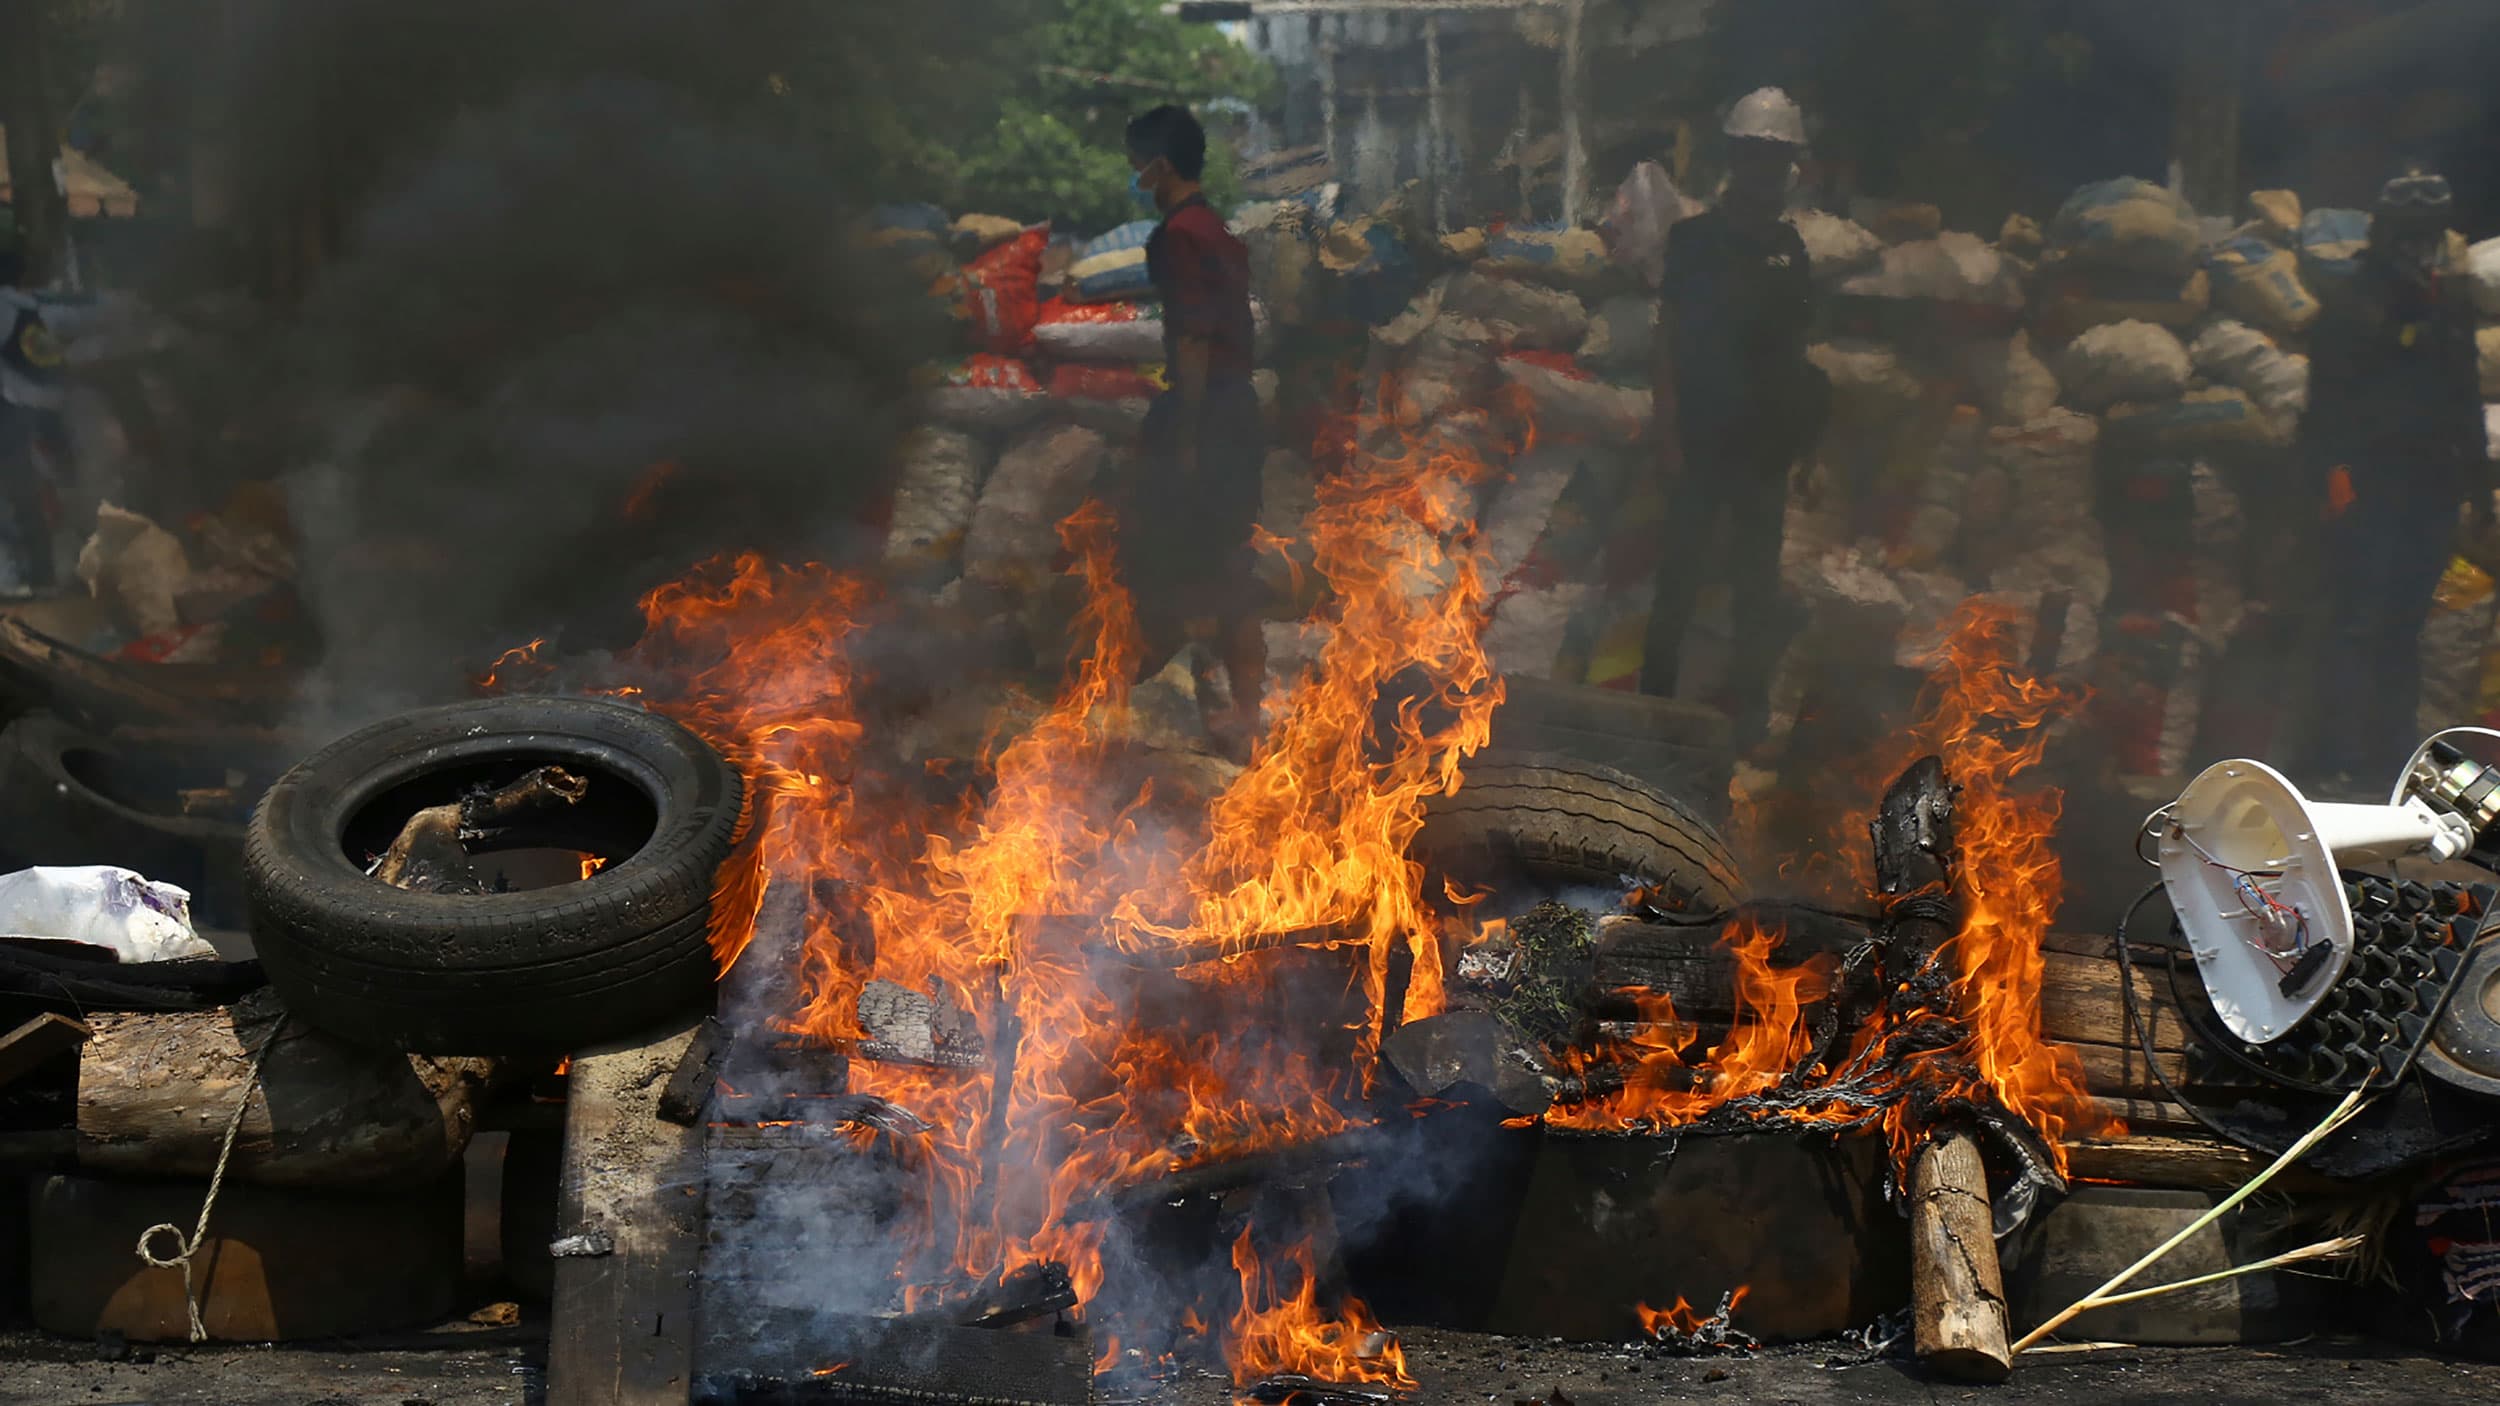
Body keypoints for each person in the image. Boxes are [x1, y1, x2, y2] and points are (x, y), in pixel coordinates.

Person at [1639, 87, 1826, 749]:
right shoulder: (1693, 241)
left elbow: (1798, 352)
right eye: (1755, 157)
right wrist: (1666, 433)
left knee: (1756, 589)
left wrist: (1807, 448)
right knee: (1680, 583)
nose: (1765, 171)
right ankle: (1650, 711)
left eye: (1777, 160)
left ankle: (1745, 724)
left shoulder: (1790, 250)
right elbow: (1667, 339)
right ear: (1736, 160)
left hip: (1765, 450)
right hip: (1701, 439)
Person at [2298, 163, 2488, 792]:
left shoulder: (2450, 304)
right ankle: (2338, 757)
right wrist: (2333, 479)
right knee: (2359, 619)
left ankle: (2391, 758)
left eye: (2426, 230)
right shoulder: (2353, 302)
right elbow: (2325, 406)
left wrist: (2480, 492)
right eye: (2408, 230)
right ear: (2384, 233)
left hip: (2431, 487)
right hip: (2371, 485)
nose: (2417, 242)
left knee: (2405, 624)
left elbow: (2464, 399)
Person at [1118, 104, 1266, 757]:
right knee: (1229, 565)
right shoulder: (1218, 229)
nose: (1134, 174)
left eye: (1138, 162)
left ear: (1161, 164)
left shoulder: (1177, 236)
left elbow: (1196, 335)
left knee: (1167, 563)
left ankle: (1181, 711)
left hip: (1208, 415)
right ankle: (1245, 712)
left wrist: (1186, 434)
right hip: (1238, 412)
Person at [0, 247, 65, 596]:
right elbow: (51, 365)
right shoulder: (28, 311)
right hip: (32, 411)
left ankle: (34, 578)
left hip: (10, 412)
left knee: (21, 497)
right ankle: (43, 575)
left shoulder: (7, 309)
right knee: (27, 495)